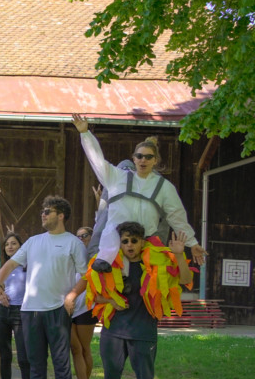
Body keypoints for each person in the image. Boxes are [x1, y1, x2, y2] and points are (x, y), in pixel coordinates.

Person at [87, 223, 193, 379]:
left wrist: (179, 255)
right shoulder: (109, 264)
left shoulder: (157, 263)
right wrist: (110, 301)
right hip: (114, 330)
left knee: (145, 378)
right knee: (111, 376)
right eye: (124, 241)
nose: (129, 245)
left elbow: (185, 280)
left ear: (143, 241)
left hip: (143, 331)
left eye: (134, 240)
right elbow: (94, 295)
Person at [0, 196, 87, 379]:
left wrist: (71, 295)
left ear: (61, 215)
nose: (43, 215)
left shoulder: (73, 243)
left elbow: (86, 276)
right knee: (35, 361)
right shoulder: (34, 242)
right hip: (30, 311)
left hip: (57, 310)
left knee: (61, 362)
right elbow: (9, 265)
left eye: (48, 211)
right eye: (43, 211)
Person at [71, 113, 206, 272]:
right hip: (116, 243)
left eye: (149, 157)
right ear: (134, 159)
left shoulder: (163, 186)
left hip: (144, 244)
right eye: (140, 156)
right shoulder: (117, 176)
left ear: (155, 160)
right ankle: (103, 261)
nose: (143, 160)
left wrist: (192, 243)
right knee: (108, 256)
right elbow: (97, 160)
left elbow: (176, 216)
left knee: (148, 282)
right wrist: (85, 134)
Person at [0, 232, 30, 379]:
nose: (10, 247)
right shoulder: (2, 267)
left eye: (14, 243)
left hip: (21, 311)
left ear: (21, 246)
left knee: (23, 355)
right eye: (7, 244)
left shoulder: (27, 266)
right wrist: (0, 292)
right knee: (5, 354)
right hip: (2, 311)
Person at [70, 226, 99, 379]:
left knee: (84, 349)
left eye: (85, 236)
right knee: (75, 348)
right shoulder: (72, 257)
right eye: (78, 236)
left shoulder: (94, 259)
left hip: (86, 308)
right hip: (69, 308)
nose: (81, 239)